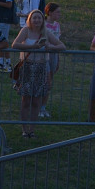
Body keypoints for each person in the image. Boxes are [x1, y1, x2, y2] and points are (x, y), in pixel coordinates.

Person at [11, 9, 65, 138]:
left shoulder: (47, 33)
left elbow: (62, 46)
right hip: (27, 67)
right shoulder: (25, 30)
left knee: (36, 101)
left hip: (41, 68)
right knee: (25, 100)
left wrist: (50, 47)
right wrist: (32, 47)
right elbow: (15, 44)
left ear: (42, 20)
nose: (37, 20)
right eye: (34, 18)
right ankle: (24, 130)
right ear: (29, 19)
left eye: (39, 18)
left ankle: (32, 130)